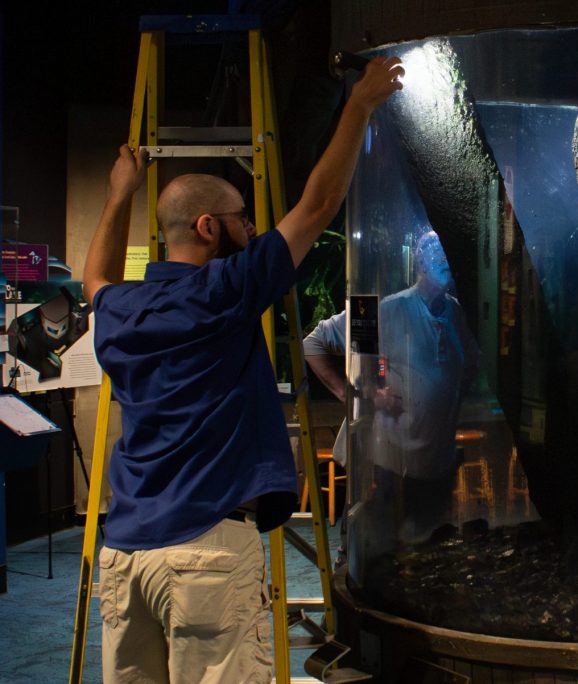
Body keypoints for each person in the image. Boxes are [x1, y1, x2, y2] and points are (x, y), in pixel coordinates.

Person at [82, 55, 403, 684]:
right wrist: (358, 106)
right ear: (208, 227)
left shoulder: (121, 308)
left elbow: (95, 277)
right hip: (204, 552)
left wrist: (120, 192)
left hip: (123, 560)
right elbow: (314, 209)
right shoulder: (221, 293)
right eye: (240, 220)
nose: (253, 229)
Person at [304, 231, 479, 554]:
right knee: (376, 552)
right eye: (436, 254)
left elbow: (468, 368)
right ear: (420, 264)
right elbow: (313, 344)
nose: (446, 261)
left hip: (435, 467)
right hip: (388, 468)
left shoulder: (456, 314)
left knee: (425, 557)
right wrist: (355, 395)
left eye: (447, 254)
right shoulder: (387, 309)